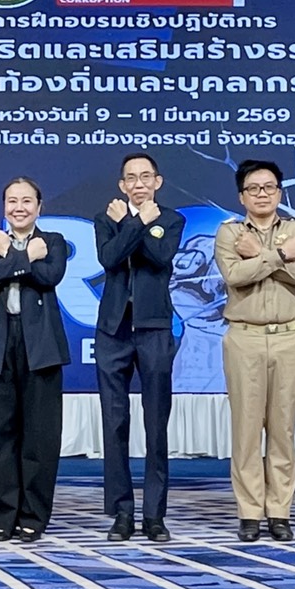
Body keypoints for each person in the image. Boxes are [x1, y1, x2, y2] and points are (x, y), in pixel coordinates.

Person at [212, 159, 295, 542]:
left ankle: (280, 511)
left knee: (283, 429)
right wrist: (279, 256)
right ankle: (250, 512)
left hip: (288, 336)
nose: (262, 194)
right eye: (253, 188)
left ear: (279, 192)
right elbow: (235, 276)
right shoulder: (230, 233)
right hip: (245, 337)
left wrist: (260, 255)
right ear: (242, 196)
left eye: (269, 187)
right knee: (246, 428)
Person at [0, 177, 70, 542]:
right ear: (4, 207)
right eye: (12, 201)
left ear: (39, 207)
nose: (19, 207)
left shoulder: (52, 242)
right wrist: (25, 258)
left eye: (27, 201)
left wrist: (10, 260)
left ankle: (32, 516)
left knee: (39, 436)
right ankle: (3, 515)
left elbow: (50, 276)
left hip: (40, 346)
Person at [93, 152, 185, 542]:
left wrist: (133, 224)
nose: (139, 184)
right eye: (131, 178)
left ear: (157, 182)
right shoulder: (106, 219)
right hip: (113, 330)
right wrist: (135, 223)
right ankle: (122, 512)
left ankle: (154, 514)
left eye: (146, 177)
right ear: (122, 185)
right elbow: (110, 258)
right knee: (115, 423)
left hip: (154, 328)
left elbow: (159, 257)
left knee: (155, 423)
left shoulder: (172, 219)